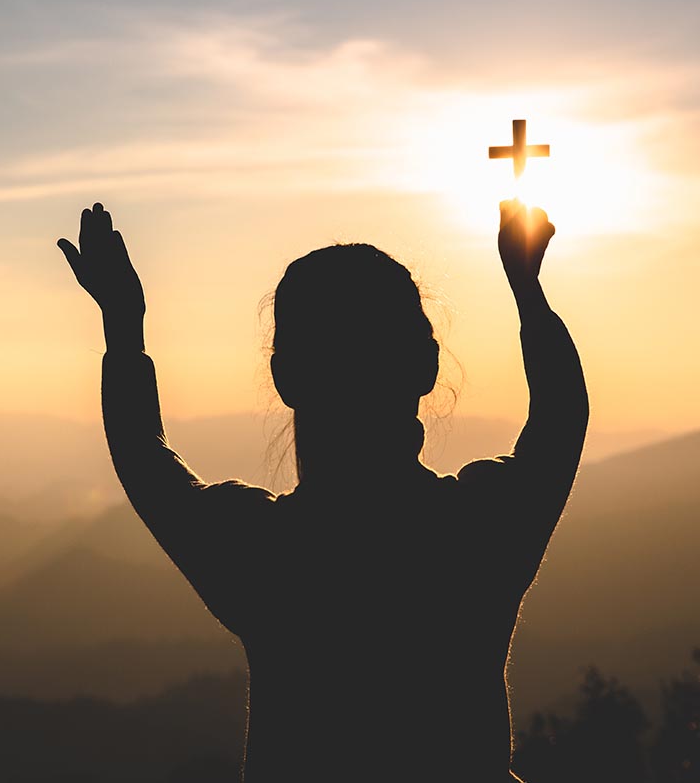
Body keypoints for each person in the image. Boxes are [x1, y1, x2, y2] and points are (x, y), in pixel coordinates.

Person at [57, 199, 588, 782]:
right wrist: (526, 289)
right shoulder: (481, 531)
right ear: (427, 366)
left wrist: (124, 331)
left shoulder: (263, 554)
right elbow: (561, 415)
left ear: (285, 378)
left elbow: (145, 459)